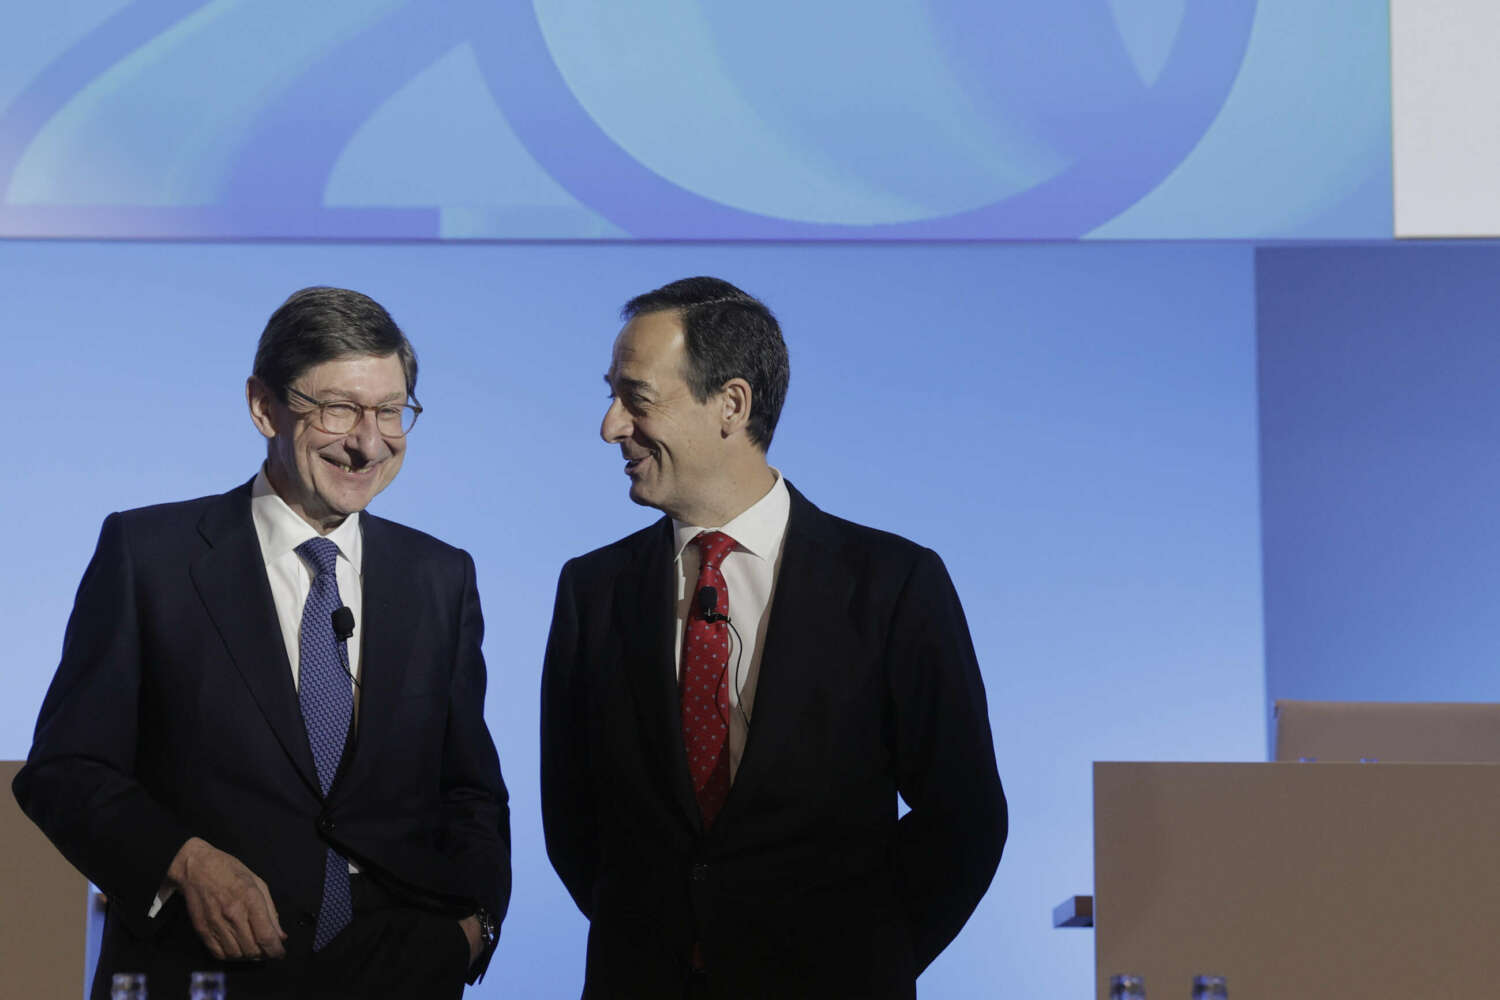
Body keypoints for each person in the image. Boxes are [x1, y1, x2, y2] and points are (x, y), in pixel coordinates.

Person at [14, 287, 510, 1000]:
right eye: (339, 408)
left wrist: (473, 932)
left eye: (391, 411)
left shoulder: (441, 576)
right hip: (203, 975)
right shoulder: (150, 555)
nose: (368, 441)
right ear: (262, 406)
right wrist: (181, 862)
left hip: (399, 976)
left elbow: (471, 792)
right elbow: (65, 771)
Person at [541, 277, 1006, 999]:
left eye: (637, 398)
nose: (611, 425)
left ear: (731, 404)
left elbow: (966, 817)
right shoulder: (590, 592)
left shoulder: (893, 583)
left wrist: (867, 961)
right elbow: (573, 823)